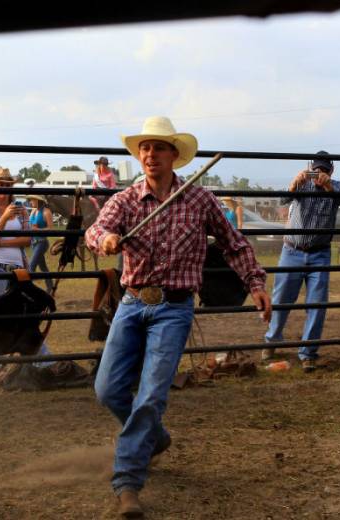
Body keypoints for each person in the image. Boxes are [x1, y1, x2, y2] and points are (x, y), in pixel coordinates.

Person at [84, 116, 271, 518]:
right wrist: (107, 239)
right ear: (139, 154)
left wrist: (256, 283)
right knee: (107, 390)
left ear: (174, 155)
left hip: (174, 307)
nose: (151, 154)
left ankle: (127, 484)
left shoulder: (199, 201)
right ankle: (155, 437)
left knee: (151, 394)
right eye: (145, 147)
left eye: (159, 147)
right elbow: (95, 231)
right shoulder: (125, 200)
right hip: (132, 303)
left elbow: (234, 244)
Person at [262, 151, 340, 372]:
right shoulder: (302, 183)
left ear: (331, 171)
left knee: (317, 304)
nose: (320, 173)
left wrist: (328, 186)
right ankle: (272, 340)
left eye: (325, 170)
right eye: (317, 169)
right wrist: (294, 184)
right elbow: (281, 200)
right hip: (292, 250)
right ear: (311, 167)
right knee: (281, 299)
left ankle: (308, 352)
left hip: (320, 253)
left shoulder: (337, 186)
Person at [0, 167, 54, 378]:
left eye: (6, 185)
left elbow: (28, 239)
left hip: (18, 268)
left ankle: (40, 362)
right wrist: (3, 221)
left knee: (25, 314)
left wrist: (2, 240)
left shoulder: (20, 209)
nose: (3, 188)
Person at [26, 194, 54, 293]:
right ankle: (51, 286)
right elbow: (30, 225)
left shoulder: (46, 212)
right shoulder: (33, 211)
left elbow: (51, 229)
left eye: (32, 200)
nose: (30, 202)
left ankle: (27, 289)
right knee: (43, 267)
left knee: (31, 265)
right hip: (34, 242)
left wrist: (38, 229)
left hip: (42, 242)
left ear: (38, 201)